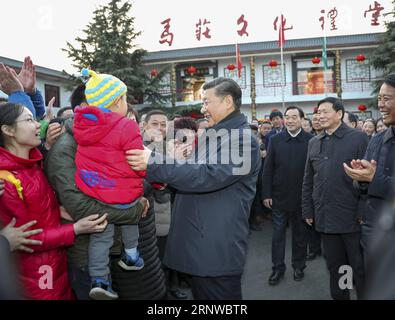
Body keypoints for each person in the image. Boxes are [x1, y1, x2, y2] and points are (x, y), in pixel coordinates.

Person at [126, 77, 261, 300]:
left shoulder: (243, 140)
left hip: (215, 246)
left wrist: (154, 161)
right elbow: (192, 171)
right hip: (201, 242)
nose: (202, 108)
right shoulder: (215, 134)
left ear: (227, 101)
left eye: (207, 102)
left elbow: (206, 176)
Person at [44, 85, 162, 300]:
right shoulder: (65, 149)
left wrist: (134, 195)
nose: (121, 107)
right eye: (114, 101)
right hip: (85, 254)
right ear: (86, 108)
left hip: (110, 247)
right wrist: (133, 210)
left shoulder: (104, 138)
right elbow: (80, 208)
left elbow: (121, 180)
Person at [0, 102, 107, 299]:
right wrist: (76, 229)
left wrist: (57, 210)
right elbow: (27, 238)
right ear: (8, 130)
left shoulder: (33, 164)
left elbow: (37, 213)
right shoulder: (6, 179)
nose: (38, 125)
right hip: (37, 274)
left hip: (55, 263)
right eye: (29, 120)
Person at [72, 69, 146, 299]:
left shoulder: (82, 125)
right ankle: (131, 255)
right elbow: (138, 162)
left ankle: (100, 281)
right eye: (124, 98)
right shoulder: (126, 126)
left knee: (101, 237)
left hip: (94, 190)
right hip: (123, 194)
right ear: (117, 101)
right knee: (131, 213)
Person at [302, 97, 368, 300]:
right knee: (337, 267)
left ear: (339, 114)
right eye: (317, 112)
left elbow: (368, 179)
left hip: (352, 218)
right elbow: (308, 180)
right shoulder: (314, 142)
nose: (319, 116)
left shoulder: (358, 138)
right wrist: (307, 209)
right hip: (325, 218)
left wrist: (362, 211)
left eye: (325, 112)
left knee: (359, 266)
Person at [343, 74, 395, 256]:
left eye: (387, 98)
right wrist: (361, 178)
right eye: (379, 98)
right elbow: (361, 187)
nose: (380, 104)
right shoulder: (376, 141)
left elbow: (377, 179)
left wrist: (374, 178)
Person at [262, 106, 313, 285]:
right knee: (277, 235)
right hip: (278, 197)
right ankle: (278, 268)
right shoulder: (275, 140)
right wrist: (266, 193)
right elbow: (267, 169)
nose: (290, 120)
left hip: (302, 198)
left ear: (301, 119)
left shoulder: (310, 140)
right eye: (287, 117)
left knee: (300, 234)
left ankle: (299, 266)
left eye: (294, 117)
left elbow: (314, 171)